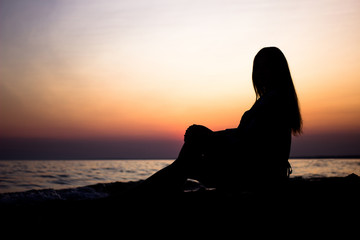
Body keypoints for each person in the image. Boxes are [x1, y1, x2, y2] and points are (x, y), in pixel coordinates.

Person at [136, 47, 302, 194]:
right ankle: (154, 191)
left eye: (266, 66)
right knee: (188, 157)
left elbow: (249, 142)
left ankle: (145, 193)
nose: (260, 72)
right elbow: (244, 136)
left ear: (277, 69)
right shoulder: (273, 99)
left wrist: (211, 137)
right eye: (257, 67)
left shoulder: (276, 101)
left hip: (256, 173)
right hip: (253, 167)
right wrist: (212, 136)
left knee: (187, 157)